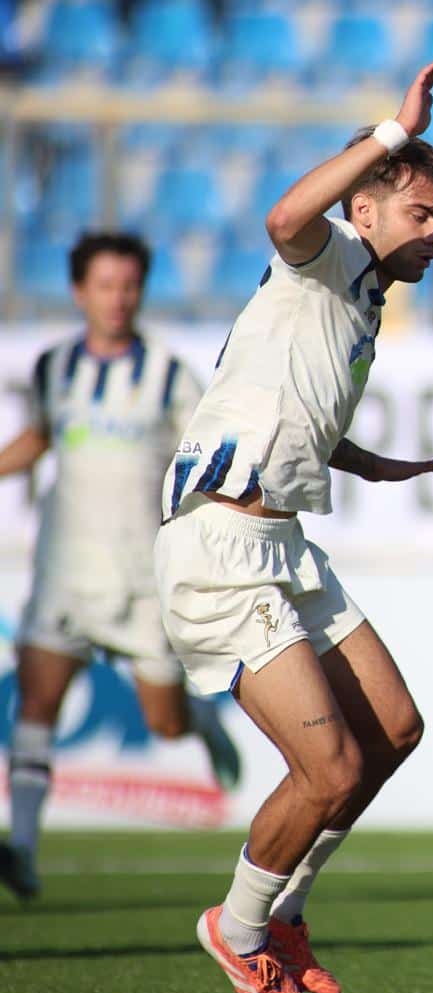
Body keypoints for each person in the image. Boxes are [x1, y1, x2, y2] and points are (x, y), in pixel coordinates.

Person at [153, 60, 433, 993]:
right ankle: (238, 930)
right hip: (219, 544)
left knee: (394, 731)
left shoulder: (361, 300)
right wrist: (392, 132)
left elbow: (299, 414)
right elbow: (285, 216)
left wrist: (373, 465)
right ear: (364, 210)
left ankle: (283, 914)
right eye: (420, 212)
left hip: (282, 544)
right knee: (328, 772)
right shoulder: (324, 254)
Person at [0, 232, 240, 902]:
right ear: (80, 292)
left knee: (164, 721)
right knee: (37, 702)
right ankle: (23, 848)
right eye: (105, 285)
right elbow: (39, 436)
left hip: (141, 580)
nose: (118, 299)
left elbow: (206, 454)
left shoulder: (168, 373)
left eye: (129, 286)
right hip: (65, 572)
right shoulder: (55, 367)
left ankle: (200, 721)